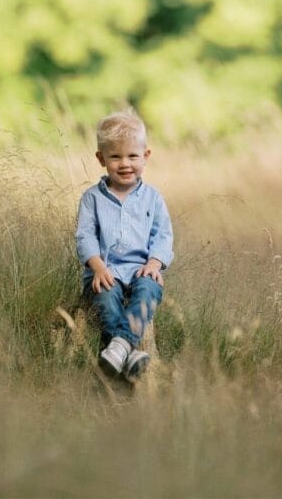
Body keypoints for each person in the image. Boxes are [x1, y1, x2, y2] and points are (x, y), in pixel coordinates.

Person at [75, 109, 173, 382]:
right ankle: (129, 353)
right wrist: (97, 267)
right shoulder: (92, 198)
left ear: (146, 156)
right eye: (115, 156)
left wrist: (154, 263)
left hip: (141, 269)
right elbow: (85, 236)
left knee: (148, 292)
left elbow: (163, 236)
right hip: (105, 271)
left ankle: (118, 346)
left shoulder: (153, 199)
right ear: (101, 158)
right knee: (106, 296)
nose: (125, 163)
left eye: (132, 156)